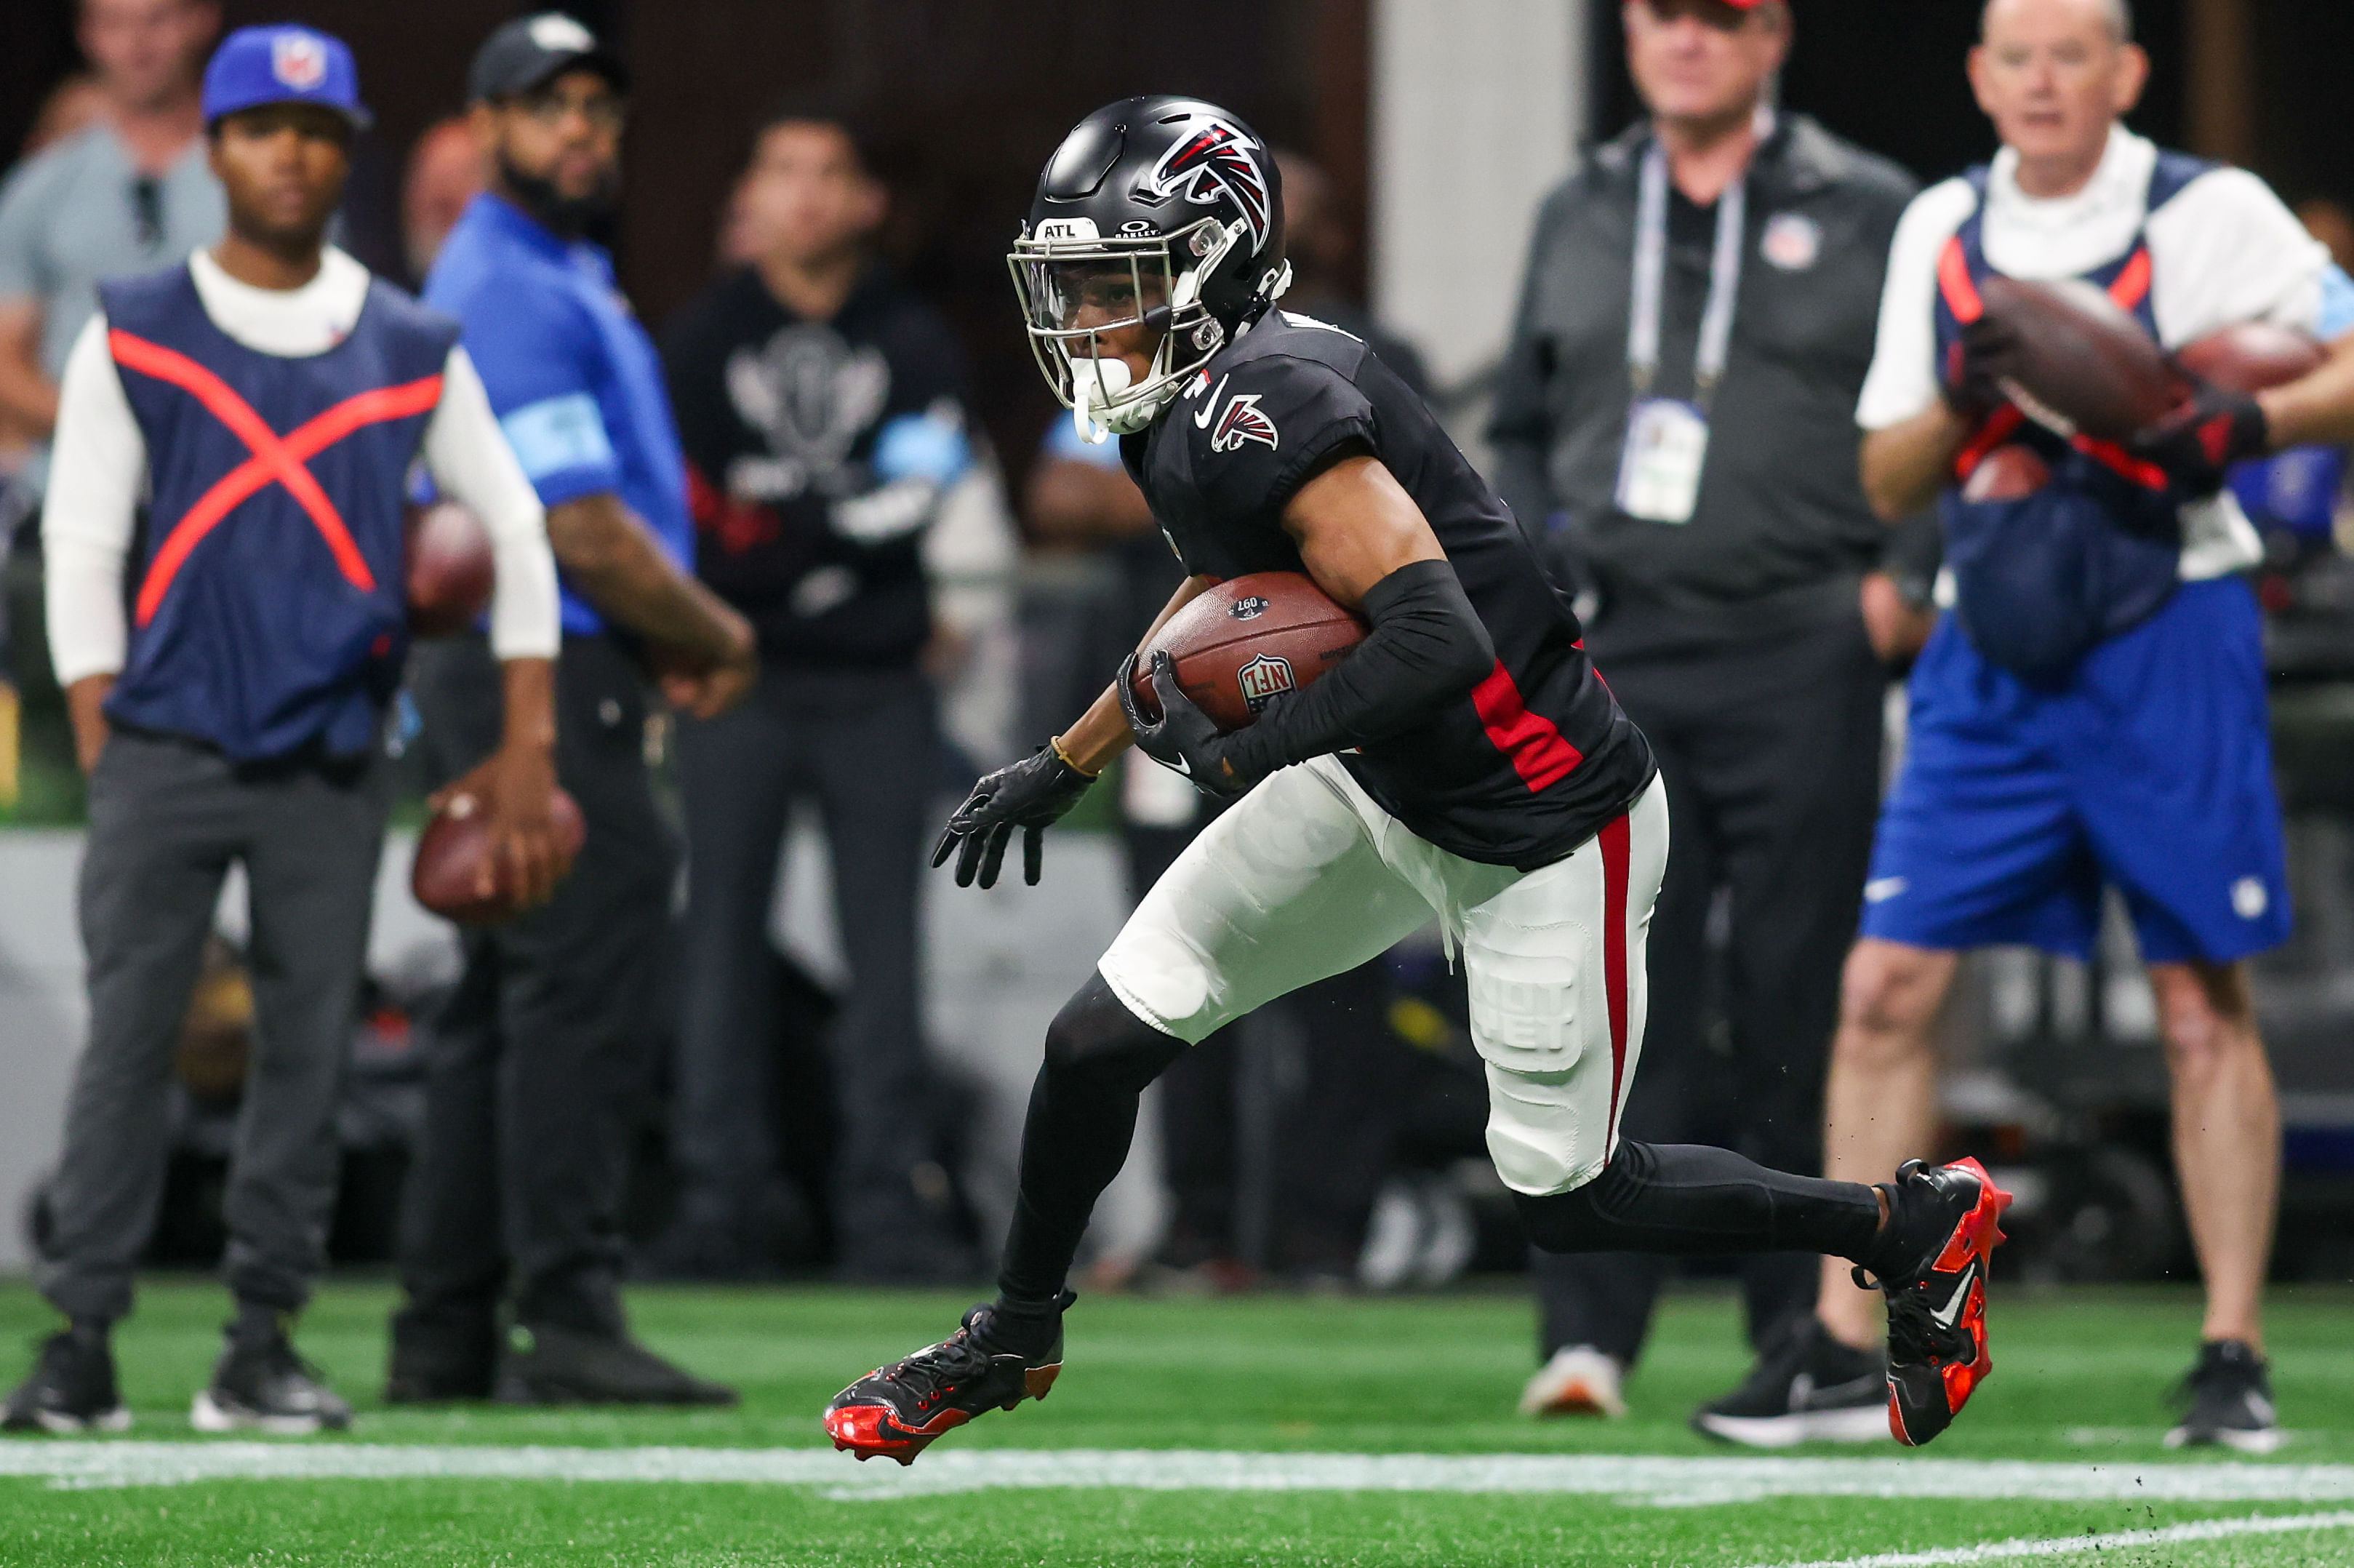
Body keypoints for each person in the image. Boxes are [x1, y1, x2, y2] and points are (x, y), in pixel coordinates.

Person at [822, 95, 2013, 1465]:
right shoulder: (1196, 399)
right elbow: (1227, 584)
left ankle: (1907, 1227)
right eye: (1075, 285)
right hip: (1375, 780)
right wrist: (1061, 757)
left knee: (1567, 1195)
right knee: (1097, 1041)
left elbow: (1435, 634)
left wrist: (1244, 753)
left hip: (1542, 824)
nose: (1089, 316)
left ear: (1212, 260)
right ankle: (1014, 1332)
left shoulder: (1267, 400)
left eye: (1117, 283)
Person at [1766, 0, 2354, 1454]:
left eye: (2068, 51)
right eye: (2012, 55)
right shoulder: (1940, 232)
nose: (2039, 78)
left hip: (2171, 630)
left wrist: (2237, 428)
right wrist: (1966, 398)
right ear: (1977, 78)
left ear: (2123, 73)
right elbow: (1888, 484)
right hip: (1989, 639)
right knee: (1882, 989)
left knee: (2193, 999)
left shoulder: (2210, 213)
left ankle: (2229, 1351)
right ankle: (1851, 1347)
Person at [0, 24, 565, 1436]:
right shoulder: (135, 323)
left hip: (326, 751)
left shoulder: (404, 335)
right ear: (219, 145)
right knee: (129, 1048)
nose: (291, 154)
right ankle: (78, 1342)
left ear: (344, 149)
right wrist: (98, 713)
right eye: (264, 128)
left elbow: (512, 523)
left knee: (307, 1059)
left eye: (316, 133)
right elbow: (78, 537)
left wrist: (529, 738)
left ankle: (260, 1340)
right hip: (166, 745)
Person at [1489, 0, 1928, 1435]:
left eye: (1720, 14)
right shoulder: (1579, 203)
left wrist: (1905, 578)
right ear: (1630, 33)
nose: (1688, 37)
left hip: (1803, 635)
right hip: (1620, 646)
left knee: (1794, 999)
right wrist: (1519, 582)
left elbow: (1954, 401)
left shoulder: (1867, 206)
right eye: (1663, 13)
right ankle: (1585, 1337)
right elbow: (1514, 415)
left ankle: (1798, 1332)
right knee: (1600, 986)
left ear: (1774, 34)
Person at [385, 12, 756, 1409]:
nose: (582, 131)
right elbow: (580, 527)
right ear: (481, 129)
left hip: (524, 662)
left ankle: (444, 1332)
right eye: (548, 108)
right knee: (580, 978)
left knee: (506, 995)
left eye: (601, 107)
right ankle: (572, 1308)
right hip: (537, 667)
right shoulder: (513, 282)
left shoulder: (557, 270)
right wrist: (718, 632)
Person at [655, 99, 974, 1282]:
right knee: (719, 946)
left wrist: (780, 543)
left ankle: (886, 1206)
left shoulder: (915, 341)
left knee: (886, 956)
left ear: (864, 203)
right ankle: (720, 1201)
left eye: (825, 171)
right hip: (737, 678)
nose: (801, 192)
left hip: (876, 686)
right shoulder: (698, 340)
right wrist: (831, 547)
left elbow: (922, 492)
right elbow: (692, 518)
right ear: (750, 194)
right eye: (779, 167)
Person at [0, 0, 225, 500]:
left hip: (225, 487)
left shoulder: (260, 186)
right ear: (86, 35)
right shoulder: (42, 187)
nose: (137, 45)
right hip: (66, 495)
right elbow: (4, 357)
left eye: (157, 21)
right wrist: (99, 425)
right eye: (114, 24)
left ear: (202, 20)